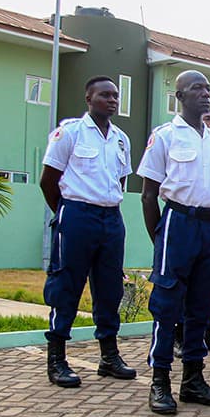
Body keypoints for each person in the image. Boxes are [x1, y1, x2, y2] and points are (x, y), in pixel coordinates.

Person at [137, 70, 210, 415]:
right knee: (166, 306)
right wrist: (160, 239)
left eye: (208, 88)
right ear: (179, 96)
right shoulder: (164, 136)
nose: (205, 94)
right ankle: (160, 381)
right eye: (196, 88)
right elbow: (148, 195)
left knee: (201, 308)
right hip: (177, 223)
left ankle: (193, 379)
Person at [40, 76, 137, 388]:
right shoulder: (69, 132)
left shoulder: (122, 138)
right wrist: (68, 213)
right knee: (66, 284)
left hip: (111, 218)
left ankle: (109, 356)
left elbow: (120, 182)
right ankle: (57, 358)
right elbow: (48, 180)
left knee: (110, 289)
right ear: (88, 98)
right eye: (104, 95)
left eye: (115, 96)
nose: (112, 100)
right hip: (77, 214)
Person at [174, 111, 210, 357]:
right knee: (182, 286)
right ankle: (179, 335)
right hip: (186, 222)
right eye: (208, 118)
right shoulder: (173, 137)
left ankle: (204, 331)